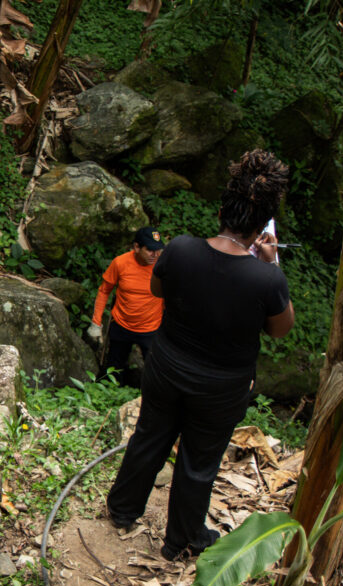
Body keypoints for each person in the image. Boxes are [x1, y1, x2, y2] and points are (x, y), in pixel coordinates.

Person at [105, 150, 294, 561]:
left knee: (149, 437)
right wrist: (270, 260)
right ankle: (181, 540)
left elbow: (157, 291)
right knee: (198, 462)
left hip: (168, 364)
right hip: (222, 386)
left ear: (223, 208)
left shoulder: (181, 250)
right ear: (262, 225)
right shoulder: (267, 277)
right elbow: (280, 329)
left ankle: (122, 510)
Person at [89, 227, 166, 384]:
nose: (155, 255)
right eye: (150, 250)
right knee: (113, 370)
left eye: (158, 250)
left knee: (157, 372)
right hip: (122, 324)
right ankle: (109, 399)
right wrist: (96, 323)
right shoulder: (121, 263)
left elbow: (170, 296)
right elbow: (104, 291)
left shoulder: (163, 266)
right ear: (136, 247)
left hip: (151, 329)